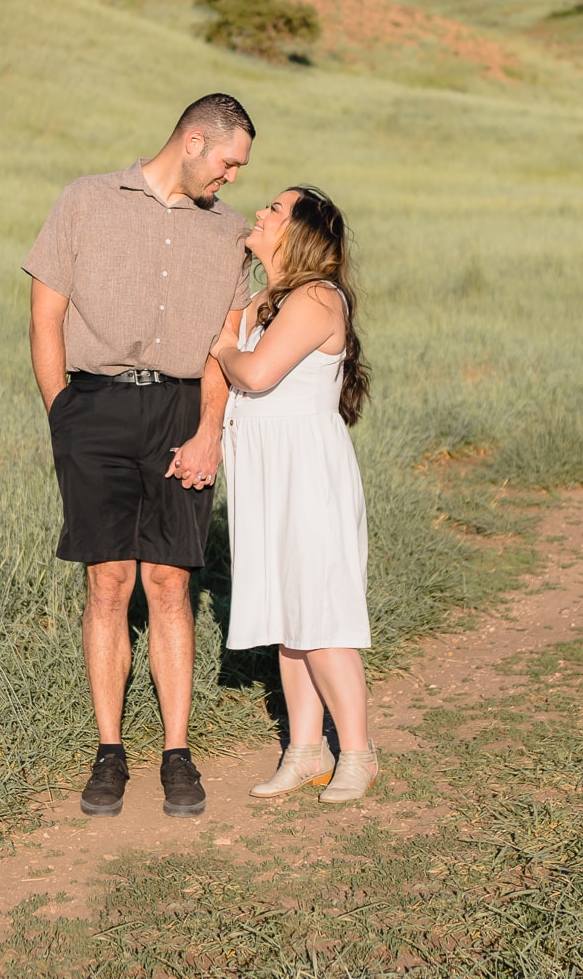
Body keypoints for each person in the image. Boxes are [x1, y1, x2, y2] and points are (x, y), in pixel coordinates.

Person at [22, 94, 255, 819]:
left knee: (169, 583)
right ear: (192, 141)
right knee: (107, 583)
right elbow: (45, 313)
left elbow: (227, 339)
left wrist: (211, 427)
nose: (233, 179)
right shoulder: (84, 201)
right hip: (93, 407)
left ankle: (177, 755)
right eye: (228, 162)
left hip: (183, 413)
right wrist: (64, 413)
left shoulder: (231, 232)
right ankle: (109, 752)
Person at [210, 186, 377, 803]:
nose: (260, 211)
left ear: (303, 232)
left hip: (307, 471)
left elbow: (254, 374)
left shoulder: (315, 297)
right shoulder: (260, 302)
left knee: (321, 615)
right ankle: (306, 750)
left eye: (275, 210)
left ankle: (358, 753)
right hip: (265, 472)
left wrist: (221, 345)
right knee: (288, 615)